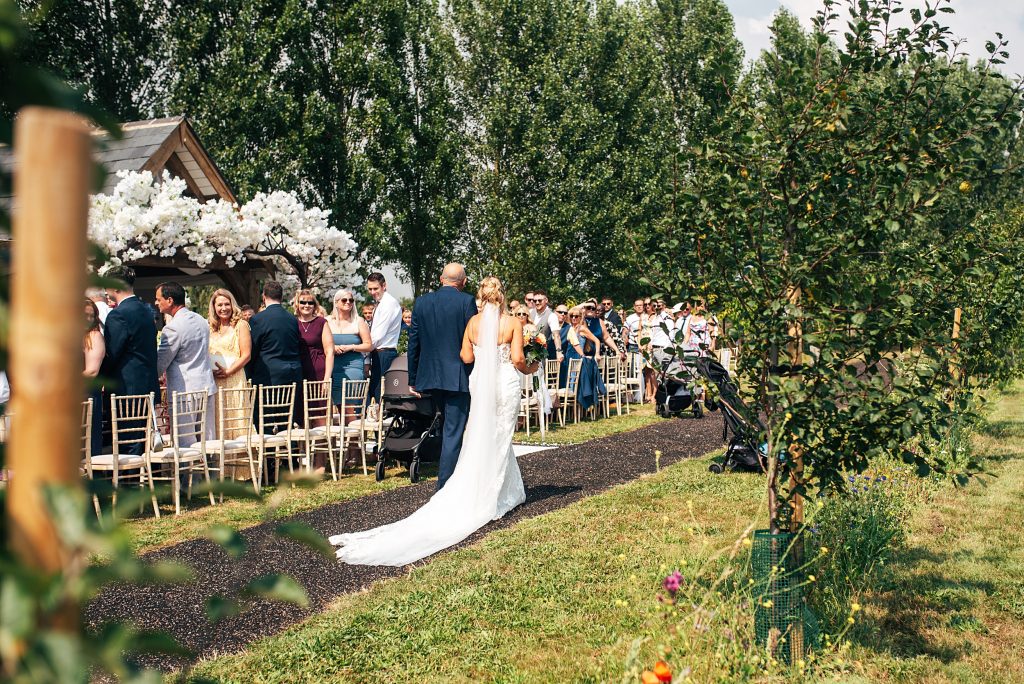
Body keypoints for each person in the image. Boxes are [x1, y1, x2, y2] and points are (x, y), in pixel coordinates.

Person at [330, 276, 537, 565]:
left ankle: (498, 487)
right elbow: (517, 359)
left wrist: (483, 354)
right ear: (502, 296)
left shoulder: (473, 324)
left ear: (481, 296)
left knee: (481, 433)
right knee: (500, 434)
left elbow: (466, 357)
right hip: (504, 383)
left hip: (479, 383)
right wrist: (532, 366)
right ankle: (493, 493)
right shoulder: (513, 323)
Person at [407, 263, 478, 490]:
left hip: (430, 376)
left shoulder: (422, 302)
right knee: (453, 431)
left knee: (446, 426)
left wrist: (412, 379)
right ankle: (446, 486)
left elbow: (413, 343)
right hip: (458, 376)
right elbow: (474, 340)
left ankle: (451, 478)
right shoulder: (466, 302)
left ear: (441, 279)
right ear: (463, 282)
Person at [102, 266, 160, 453]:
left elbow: (112, 353)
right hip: (147, 384)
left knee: (129, 442)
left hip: (127, 387)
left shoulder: (118, 314)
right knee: (144, 440)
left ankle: (133, 473)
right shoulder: (146, 309)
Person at [156, 281, 217, 442]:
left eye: (159, 299)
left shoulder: (172, 328)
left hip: (184, 392)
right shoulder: (201, 320)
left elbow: (161, 363)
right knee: (208, 441)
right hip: (206, 386)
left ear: (170, 300)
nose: (156, 302)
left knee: (185, 444)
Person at [207, 289, 252, 438]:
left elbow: (246, 355)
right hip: (215, 381)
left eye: (227, 304)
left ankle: (241, 452)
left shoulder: (241, 325)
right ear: (214, 307)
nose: (224, 308)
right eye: (219, 305)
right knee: (219, 421)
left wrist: (229, 371)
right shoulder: (211, 327)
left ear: (232, 305)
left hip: (234, 379)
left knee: (237, 420)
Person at [326, 289, 372, 431]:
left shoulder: (359, 321)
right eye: (344, 300)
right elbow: (322, 343)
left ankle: (353, 441)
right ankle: (344, 441)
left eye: (351, 300)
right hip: (334, 367)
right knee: (339, 407)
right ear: (336, 302)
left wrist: (351, 347)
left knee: (349, 408)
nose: (348, 303)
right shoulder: (327, 321)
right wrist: (333, 348)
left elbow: (368, 345)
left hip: (353, 366)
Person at [247, 281, 303, 390]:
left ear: (264, 297)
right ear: (281, 297)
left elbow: (253, 349)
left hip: (268, 376)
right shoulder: (293, 319)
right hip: (293, 373)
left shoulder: (257, 319)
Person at [366, 272, 402, 405]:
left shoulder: (388, 303)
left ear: (384, 286)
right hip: (378, 352)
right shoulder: (381, 303)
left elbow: (378, 335)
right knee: (375, 392)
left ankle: (381, 416)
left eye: (375, 288)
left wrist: (363, 349)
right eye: (370, 289)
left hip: (384, 353)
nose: (372, 292)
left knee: (380, 393)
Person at [84, 298, 106, 456]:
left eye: (92, 316)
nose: (88, 319)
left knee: (88, 446)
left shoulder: (94, 336)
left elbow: (92, 371)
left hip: (87, 395)